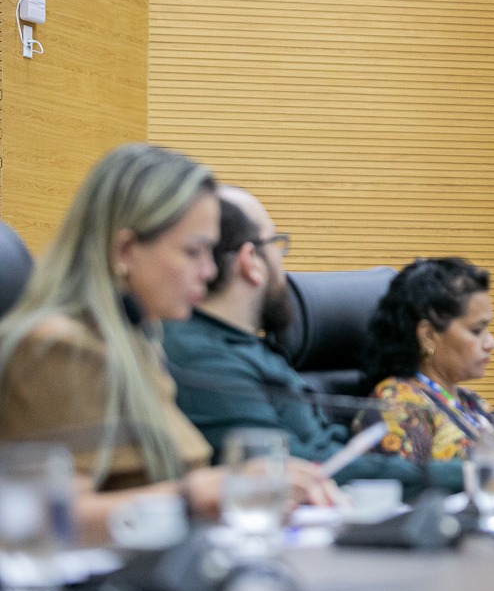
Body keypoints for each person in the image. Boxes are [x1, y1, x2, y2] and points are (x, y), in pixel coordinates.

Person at [0, 144, 333, 544]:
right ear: (125, 250)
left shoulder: (138, 341)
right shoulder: (57, 349)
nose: (209, 271)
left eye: (211, 251)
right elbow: (44, 521)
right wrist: (200, 495)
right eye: (193, 251)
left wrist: (240, 485)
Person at [163, 185, 457, 493]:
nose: (282, 261)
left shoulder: (255, 347)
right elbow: (289, 468)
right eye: (276, 244)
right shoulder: (200, 356)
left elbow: (333, 449)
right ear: (251, 260)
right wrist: (464, 477)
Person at [355, 257, 494, 465]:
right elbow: (406, 487)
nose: (491, 343)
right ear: (429, 336)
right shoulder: (398, 402)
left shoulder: (473, 403)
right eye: (477, 330)